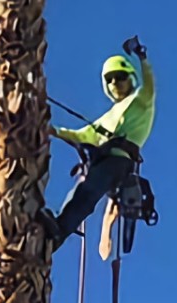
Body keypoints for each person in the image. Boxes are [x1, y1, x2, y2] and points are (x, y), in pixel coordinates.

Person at [47, 36, 155, 242]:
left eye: (120, 76)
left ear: (131, 77)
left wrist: (142, 56)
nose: (115, 82)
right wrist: (53, 131)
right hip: (104, 160)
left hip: (119, 162)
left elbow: (150, 84)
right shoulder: (108, 117)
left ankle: (59, 231)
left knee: (88, 191)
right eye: (110, 79)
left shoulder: (142, 99)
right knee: (83, 190)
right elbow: (82, 135)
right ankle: (56, 231)